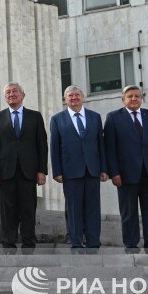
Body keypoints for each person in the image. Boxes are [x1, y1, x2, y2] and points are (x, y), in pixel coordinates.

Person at [103, 85, 148, 252]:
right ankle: (131, 243)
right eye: (130, 96)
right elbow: (109, 148)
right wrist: (114, 173)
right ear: (123, 99)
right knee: (128, 211)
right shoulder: (113, 118)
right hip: (125, 175)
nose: (133, 99)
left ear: (141, 99)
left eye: (137, 96)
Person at [0, 82, 47, 250]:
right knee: (7, 212)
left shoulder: (35, 116)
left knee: (28, 210)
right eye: (8, 92)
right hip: (6, 173)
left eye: (15, 91)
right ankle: (8, 244)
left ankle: (29, 244)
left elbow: (42, 145)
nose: (11, 94)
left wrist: (42, 171)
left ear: (23, 95)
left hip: (28, 173)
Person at [50, 86, 108, 251]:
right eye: (70, 96)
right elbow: (54, 147)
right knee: (74, 208)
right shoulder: (57, 119)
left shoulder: (95, 117)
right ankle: (76, 241)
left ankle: (93, 241)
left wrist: (104, 168)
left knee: (93, 207)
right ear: (65, 99)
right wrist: (57, 171)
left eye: (77, 95)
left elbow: (100, 145)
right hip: (70, 171)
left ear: (83, 97)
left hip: (92, 169)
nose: (74, 98)